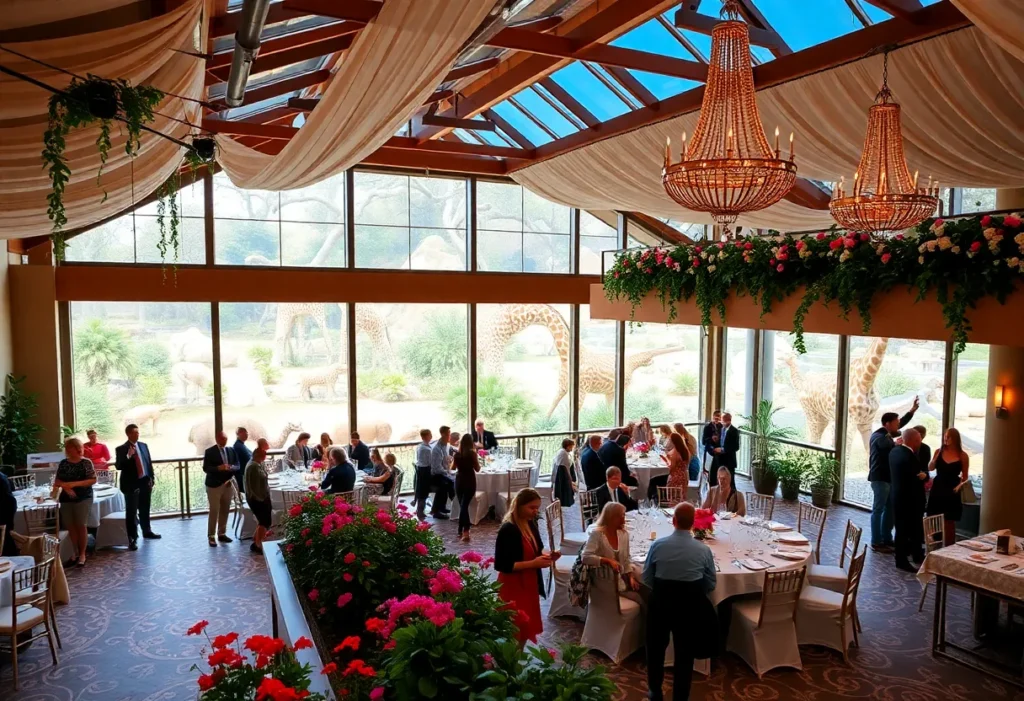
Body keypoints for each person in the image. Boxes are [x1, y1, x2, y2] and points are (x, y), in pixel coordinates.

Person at [643, 502, 718, 701]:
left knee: (655, 648)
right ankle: (680, 697)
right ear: (694, 523)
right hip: (690, 606)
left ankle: (654, 691)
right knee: (685, 654)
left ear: (673, 521)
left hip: (660, 603)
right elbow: (711, 583)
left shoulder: (657, 545)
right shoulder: (703, 551)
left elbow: (647, 578)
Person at [494, 488, 557, 645]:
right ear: (519, 506)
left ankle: (516, 661)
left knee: (524, 628)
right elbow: (502, 564)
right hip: (513, 587)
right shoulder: (508, 529)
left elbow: (538, 548)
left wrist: (547, 554)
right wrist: (534, 563)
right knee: (512, 631)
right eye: (532, 507)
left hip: (528, 585)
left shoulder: (530, 523)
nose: (535, 511)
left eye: (537, 508)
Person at [867, 400, 918, 553]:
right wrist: (895, 444)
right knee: (878, 509)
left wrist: (912, 411)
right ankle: (876, 542)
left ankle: (886, 538)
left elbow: (899, 426)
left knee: (889, 509)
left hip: (888, 479)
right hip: (880, 478)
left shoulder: (888, 434)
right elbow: (882, 444)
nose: (898, 426)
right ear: (887, 424)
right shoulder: (878, 436)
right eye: (896, 423)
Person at [582, 502, 642, 599]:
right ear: (612, 517)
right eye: (621, 516)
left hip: (621, 580)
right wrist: (607, 560)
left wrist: (631, 577)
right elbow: (585, 557)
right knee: (642, 597)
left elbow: (626, 559)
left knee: (645, 590)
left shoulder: (623, 534)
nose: (624, 519)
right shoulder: (597, 534)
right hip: (604, 582)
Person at [116, 423, 160, 551]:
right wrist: (128, 456)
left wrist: (151, 478)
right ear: (128, 434)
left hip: (144, 482)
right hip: (131, 485)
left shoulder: (143, 446)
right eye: (134, 432)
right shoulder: (121, 449)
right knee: (132, 512)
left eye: (138, 432)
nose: (137, 434)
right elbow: (119, 466)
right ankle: (132, 538)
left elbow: (148, 463)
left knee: (145, 508)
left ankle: (147, 531)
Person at [55, 437, 97, 567]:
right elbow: (57, 481)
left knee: (81, 525)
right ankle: (74, 551)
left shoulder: (86, 462)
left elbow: (93, 480)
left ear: (77, 448)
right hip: (66, 498)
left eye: (71, 447)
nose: (68, 450)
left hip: (84, 497)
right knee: (71, 526)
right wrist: (67, 488)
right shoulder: (63, 463)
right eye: (67, 448)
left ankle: (83, 553)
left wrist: (73, 484)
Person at [891, 427, 927, 572]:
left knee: (903, 529)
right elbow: (916, 478)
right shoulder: (909, 456)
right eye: (918, 440)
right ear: (913, 441)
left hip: (897, 496)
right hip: (910, 500)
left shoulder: (894, 452)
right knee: (905, 530)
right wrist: (925, 476)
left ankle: (915, 554)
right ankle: (902, 560)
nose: (920, 442)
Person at [927, 427, 970, 546]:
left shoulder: (962, 455)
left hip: (952, 489)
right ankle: (934, 544)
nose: (946, 438)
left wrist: (959, 486)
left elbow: (965, 476)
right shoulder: (938, 451)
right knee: (934, 518)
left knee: (949, 520)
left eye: (949, 436)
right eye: (945, 436)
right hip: (938, 486)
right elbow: (930, 468)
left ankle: (949, 546)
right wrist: (934, 459)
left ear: (955, 439)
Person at [203, 431, 238, 547]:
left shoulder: (231, 450)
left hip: (228, 484)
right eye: (222, 439)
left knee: (225, 509)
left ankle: (221, 533)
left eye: (226, 439)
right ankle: (211, 536)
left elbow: (238, 464)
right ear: (217, 439)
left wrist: (231, 467)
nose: (224, 441)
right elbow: (206, 468)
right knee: (214, 510)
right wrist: (219, 468)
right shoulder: (210, 452)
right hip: (214, 486)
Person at [244, 445, 272, 555]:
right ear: (260, 456)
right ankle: (258, 545)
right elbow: (255, 486)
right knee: (264, 521)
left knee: (262, 521)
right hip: (257, 499)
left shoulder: (253, 464)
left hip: (255, 498)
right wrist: (263, 499)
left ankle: (256, 539)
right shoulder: (254, 466)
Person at [453, 434, 481, 541]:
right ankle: (466, 530)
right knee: (464, 506)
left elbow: (453, 467)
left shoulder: (457, 455)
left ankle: (461, 528)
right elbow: (477, 469)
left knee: (462, 505)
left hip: (459, 480)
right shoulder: (472, 454)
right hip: (469, 480)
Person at [648, 432, 690, 501]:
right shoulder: (685, 451)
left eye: (670, 440)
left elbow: (671, 468)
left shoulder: (674, 453)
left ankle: (654, 501)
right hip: (684, 476)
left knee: (672, 497)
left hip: (675, 477)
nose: (669, 441)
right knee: (680, 497)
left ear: (673, 441)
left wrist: (665, 460)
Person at [430, 425, 456, 519]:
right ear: (443, 434)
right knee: (447, 483)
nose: (450, 436)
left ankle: (442, 507)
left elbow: (447, 459)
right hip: (435, 475)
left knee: (451, 481)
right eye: (449, 434)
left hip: (442, 473)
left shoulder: (446, 445)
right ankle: (436, 511)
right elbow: (436, 468)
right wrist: (448, 472)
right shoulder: (437, 449)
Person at [711, 413, 739, 481]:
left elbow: (736, 447)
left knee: (730, 480)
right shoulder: (722, 429)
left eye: (723, 421)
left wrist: (723, 450)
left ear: (728, 421)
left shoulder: (734, 431)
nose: (722, 423)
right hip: (720, 458)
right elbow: (721, 442)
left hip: (729, 460)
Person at [551, 438, 578, 508]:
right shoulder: (564, 454)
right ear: (568, 446)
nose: (572, 448)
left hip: (560, 474)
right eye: (571, 447)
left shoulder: (562, 451)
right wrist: (571, 480)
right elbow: (566, 469)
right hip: (563, 475)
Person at [414, 428, 433, 520]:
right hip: (425, 471)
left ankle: (421, 510)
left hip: (421, 469)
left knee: (422, 491)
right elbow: (430, 462)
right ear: (426, 436)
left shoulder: (420, 446)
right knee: (423, 492)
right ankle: (421, 511)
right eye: (430, 435)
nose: (431, 436)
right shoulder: (426, 449)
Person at [0, 471, 16, 556]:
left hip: (5, 509)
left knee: (6, 538)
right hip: (8, 506)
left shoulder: (1, 478)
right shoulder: (2, 476)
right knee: (7, 537)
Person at [232, 427, 252, 494]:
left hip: (245, 474)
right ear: (238, 434)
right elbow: (248, 459)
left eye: (246, 433)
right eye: (244, 433)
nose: (246, 435)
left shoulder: (242, 445)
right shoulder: (238, 446)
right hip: (242, 475)